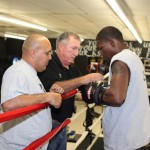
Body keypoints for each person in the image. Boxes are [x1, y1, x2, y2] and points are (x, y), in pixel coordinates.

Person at [38, 32, 103, 150]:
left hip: (63, 124)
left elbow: (86, 92)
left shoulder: (73, 68)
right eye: (73, 48)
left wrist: (102, 94)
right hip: (48, 126)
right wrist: (83, 79)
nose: (76, 53)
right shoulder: (49, 64)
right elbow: (55, 86)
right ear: (61, 47)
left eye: (78, 49)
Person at [0, 34, 63, 150]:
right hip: (18, 147)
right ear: (33, 53)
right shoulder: (17, 71)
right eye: (47, 53)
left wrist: (49, 94)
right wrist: (46, 97)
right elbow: (8, 105)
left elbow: (29, 98)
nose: (50, 57)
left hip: (32, 145)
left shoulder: (30, 72)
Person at [95, 26, 150, 150]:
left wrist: (95, 94)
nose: (101, 53)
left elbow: (116, 98)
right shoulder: (133, 57)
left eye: (101, 48)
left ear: (112, 42)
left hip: (123, 140)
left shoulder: (119, 60)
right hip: (138, 134)